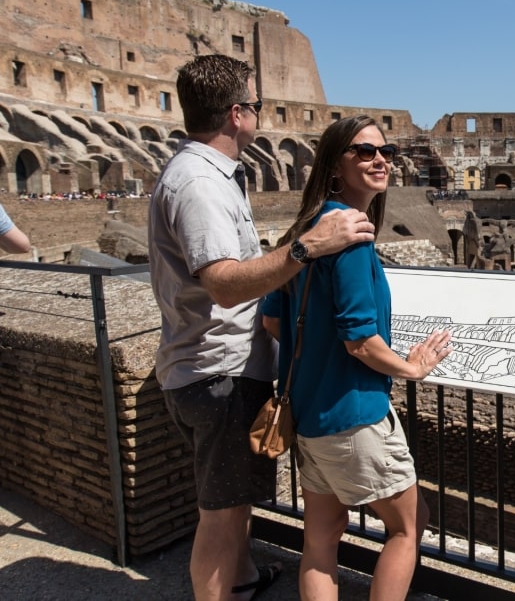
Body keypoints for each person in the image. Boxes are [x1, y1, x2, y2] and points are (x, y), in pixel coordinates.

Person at [148, 55, 375, 601]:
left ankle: (244, 579)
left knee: (233, 499)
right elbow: (225, 283)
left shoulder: (208, 175)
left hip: (209, 366)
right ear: (236, 115)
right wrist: (305, 248)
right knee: (220, 514)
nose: (259, 116)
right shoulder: (200, 183)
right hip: (217, 373)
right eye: (255, 106)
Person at [262, 115, 452, 601]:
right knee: (409, 528)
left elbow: (273, 322)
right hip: (355, 415)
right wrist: (411, 367)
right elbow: (360, 342)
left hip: (309, 415)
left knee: (320, 540)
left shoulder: (303, 232)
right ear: (333, 166)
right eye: (363, 152)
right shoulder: (349, 238)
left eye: (384, 151)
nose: (379, 159)